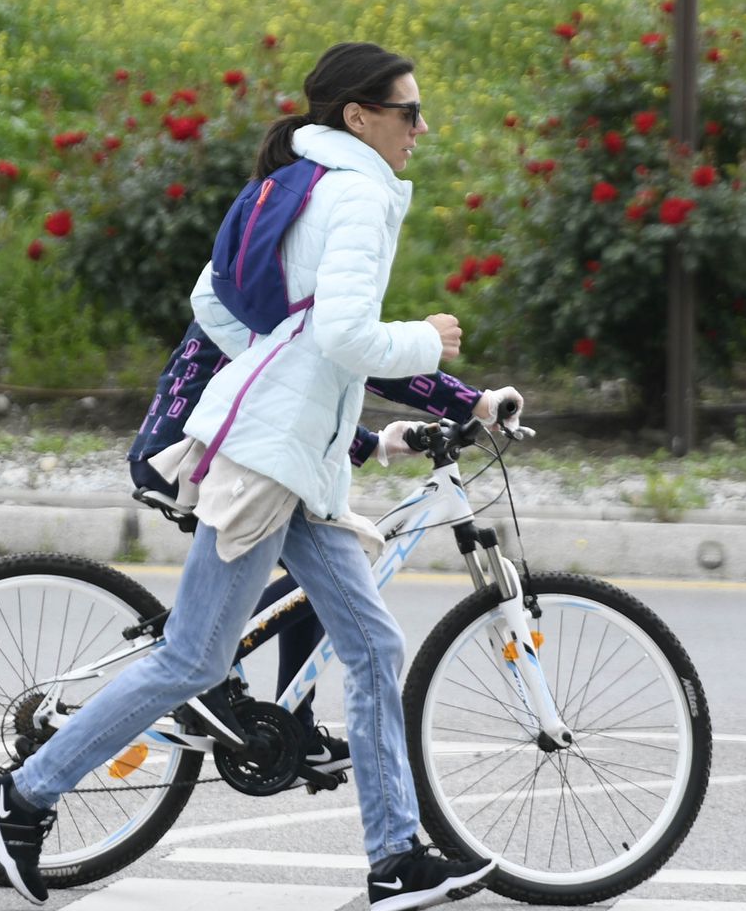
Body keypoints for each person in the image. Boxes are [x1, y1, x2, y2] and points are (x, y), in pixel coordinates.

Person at [0, 41, 501, 911]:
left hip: (289, 458)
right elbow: (343, 338)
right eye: (408, 112)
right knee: (194, 657)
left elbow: (219, 305)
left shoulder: (299, 183)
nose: (421, 128)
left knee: (371, 648)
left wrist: (287, 381)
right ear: (359, 117)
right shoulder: (359, 194)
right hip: (268, 459)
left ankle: (397, 860)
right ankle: (23, 796)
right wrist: (425, 339)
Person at [128, 323, 523, 787]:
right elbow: (358, 352)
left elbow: (299, 386)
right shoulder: (293, 279)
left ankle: (292, 723)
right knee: (331, 569)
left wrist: (373, 443)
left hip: (229, 445)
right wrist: (472, 402)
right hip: (199, 453)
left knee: (328, 571)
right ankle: (200, 665)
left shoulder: (282, 276)